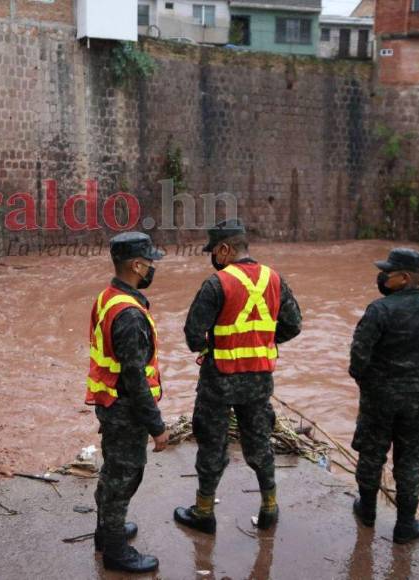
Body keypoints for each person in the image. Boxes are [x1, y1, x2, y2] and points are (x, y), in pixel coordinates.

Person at [174, 219, 302, 533]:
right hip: (258, 379)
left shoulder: (217, 284)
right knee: (259, 442)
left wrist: (209, 348)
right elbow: (293, 324)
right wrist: (261, 342)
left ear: (225, 249)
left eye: (214, 251)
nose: (213, 257)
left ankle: (204, 512)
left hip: (219, 379)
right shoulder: (274, 279)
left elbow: (193, 333)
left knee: (212, 444)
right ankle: (270, 507)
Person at [349, 247, 419, 544]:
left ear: (404, 278)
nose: (382, 276)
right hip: (417, 398)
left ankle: (368, 512)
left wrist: (368, 384)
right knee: (410, 461)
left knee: (371, 454)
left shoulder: (379, 310)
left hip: (379, 397)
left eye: (388, 272)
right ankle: (405, 526)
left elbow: (358, 358)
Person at [86, 232, 169, 573]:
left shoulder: (108, 296)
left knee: (112, 472)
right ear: (136, 265)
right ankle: (116, 553)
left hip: (109, 400)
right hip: (125, 410)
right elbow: (135, 379)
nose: (152, 268)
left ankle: (107, 533)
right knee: (124, 478)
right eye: (149, 262)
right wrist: (157, 427)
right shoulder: (130, 315)